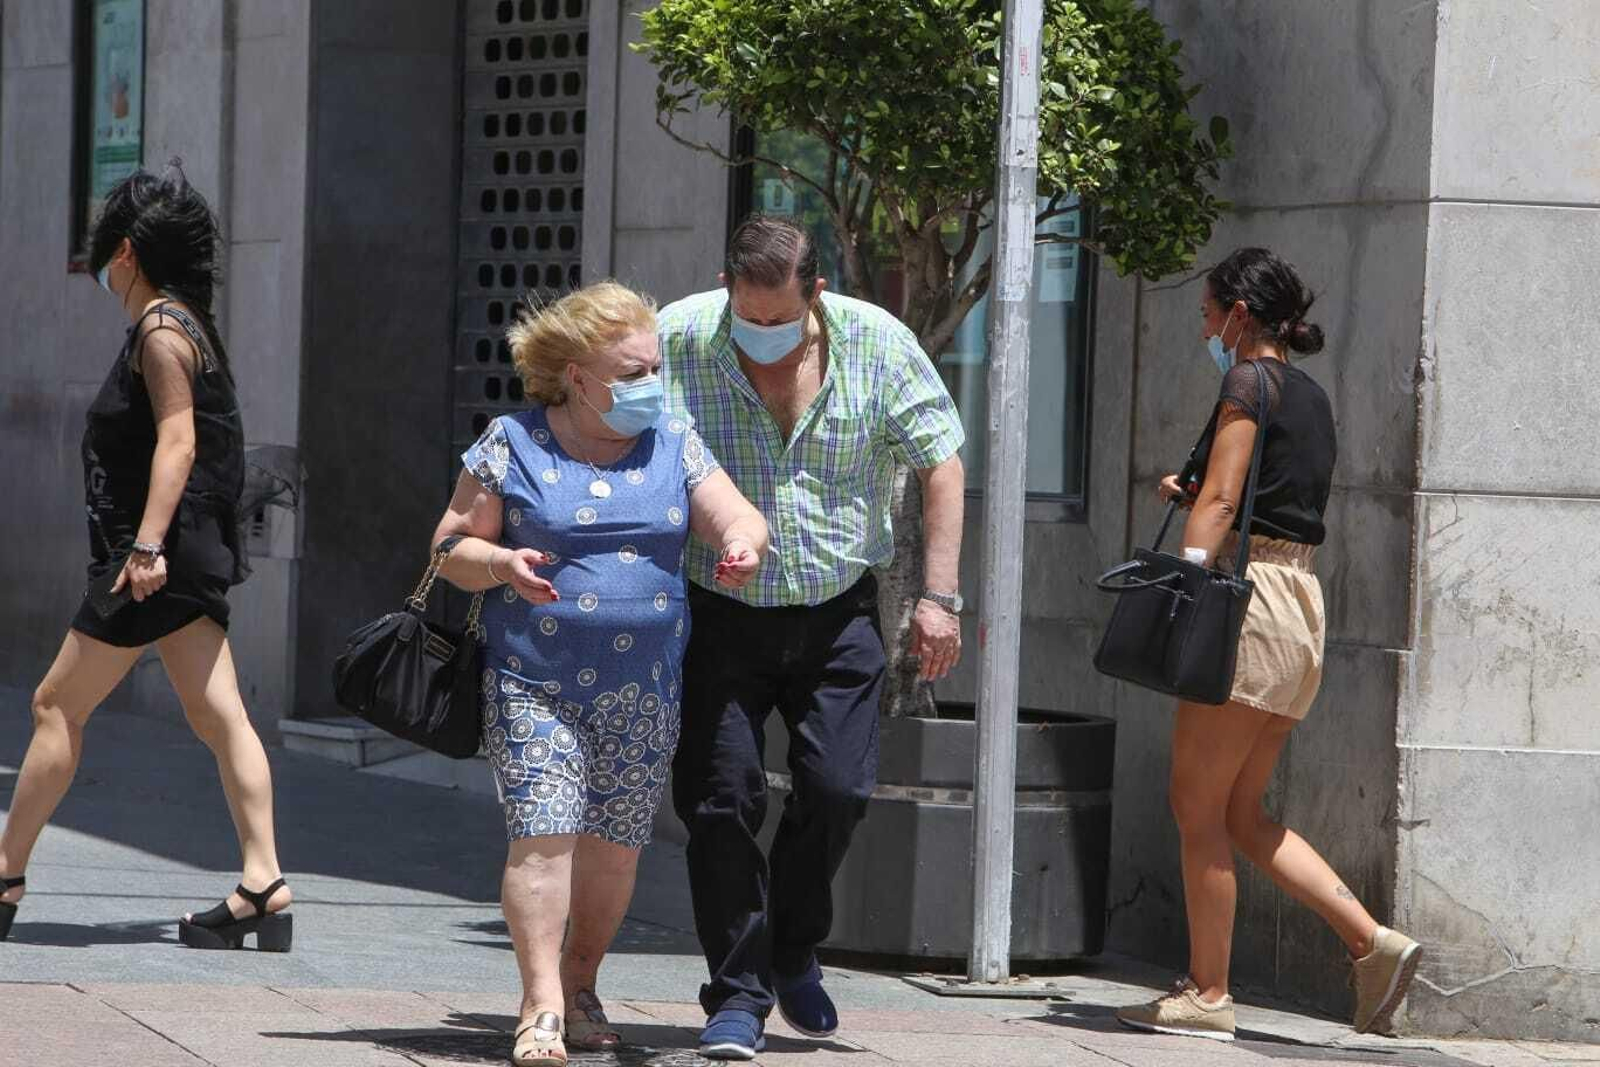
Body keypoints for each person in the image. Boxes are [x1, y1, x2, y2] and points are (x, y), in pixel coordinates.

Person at [431, 281, 768, 1067]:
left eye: (655, 367)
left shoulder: (675, 439)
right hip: (533, 680)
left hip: (644, 690)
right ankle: (541, 1001)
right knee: (543, 837)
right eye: (631, 371)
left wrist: (745, 542)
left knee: (615, 849)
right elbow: (449, 547)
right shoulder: (510, 443)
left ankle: (582, 984)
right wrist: (501, 561)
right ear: (578, 375)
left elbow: (736, 512)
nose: (650, 384)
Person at [658, 215, 967, 1060]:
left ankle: (793, 945)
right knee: (719, 801)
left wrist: (939, 596)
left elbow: (942, 458)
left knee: (838, 789)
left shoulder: (877, 341)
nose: (760, 334)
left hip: (838, 611)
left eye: (778, 318)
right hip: (716, 610)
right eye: (747, 316)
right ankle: (736, 993)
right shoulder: (679, 338)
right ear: (727, 288)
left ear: (816, 293)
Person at [1115, 248, 1422, 1042]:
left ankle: (1208, 991)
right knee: (1241, 813)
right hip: (1298, 606)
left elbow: (1224, 495)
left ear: (1239, 314)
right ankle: (1371, 942)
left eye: (1209, 311)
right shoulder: (1312, 395)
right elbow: (1271, 491)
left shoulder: (1248, 380)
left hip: (1241, 602)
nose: (1205, 325)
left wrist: (1183, 572)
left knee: (1194, 805)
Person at [0, 164, 293, 951]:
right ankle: (263, 880)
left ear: (125, 252)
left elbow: (179, 439)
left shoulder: (162, 332)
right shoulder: (190, 323)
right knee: (216, 712)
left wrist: (147, 545)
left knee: (55, 706)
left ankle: (4, 872)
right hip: (188, 549)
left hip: (154, 556)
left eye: (104, 252)